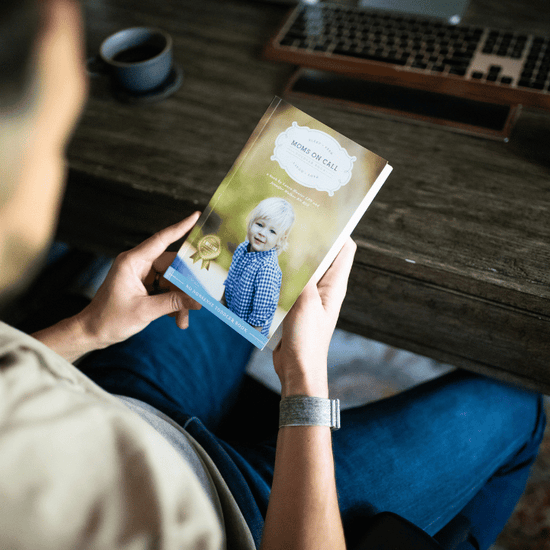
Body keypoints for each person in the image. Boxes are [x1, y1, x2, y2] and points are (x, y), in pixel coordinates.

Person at [0, 1, 545, 549]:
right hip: (246, 515)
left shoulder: (254, 258)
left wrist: (90, 330)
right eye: (55, 141)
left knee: (200, 294)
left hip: (118, 406)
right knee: (520, 402)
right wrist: (304, 373)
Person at [222, 197, 295, 336]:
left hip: (244, 332)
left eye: (272, 231)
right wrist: (221, 304)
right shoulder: (243, 248)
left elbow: (258, 321)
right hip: (228, 317)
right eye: (260, 225)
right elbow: (230, 283)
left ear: (281, 239)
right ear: (251, 222)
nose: (262, 233)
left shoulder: (267, 269)